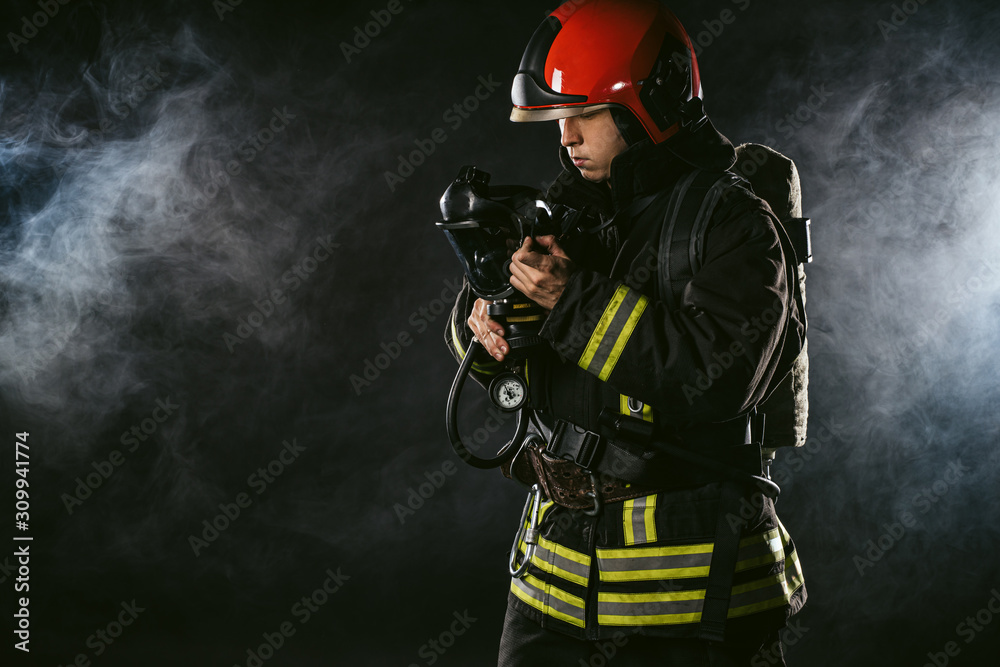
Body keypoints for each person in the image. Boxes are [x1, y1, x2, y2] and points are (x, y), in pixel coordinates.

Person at [445, 1, 806, 664]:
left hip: (692, 606)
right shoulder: (571, 212)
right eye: (559, 118)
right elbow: (518, 363)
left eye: (584, 112)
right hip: (550, 595)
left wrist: (568, 299)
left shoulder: (733, 221)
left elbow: (714, 377)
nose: (566, 137)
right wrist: (488, 318)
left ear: (650, 103)